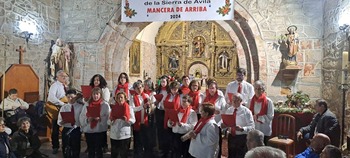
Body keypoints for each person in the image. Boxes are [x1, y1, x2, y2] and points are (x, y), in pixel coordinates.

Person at [79, 87, 110, 158]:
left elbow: (108, 116)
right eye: (94, 94)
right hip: (89, 130)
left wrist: (100, 119)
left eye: (97, 94)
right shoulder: (87, 104)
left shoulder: (105, 105)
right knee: (91, 149)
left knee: (99, 150)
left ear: (100, 95)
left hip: (100, 130)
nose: (95, 96)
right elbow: (82, 116)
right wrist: (87, 120)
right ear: (91, 95)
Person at [222, 93, 254, 158]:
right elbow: (225, 122)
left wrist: (242, 128)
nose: (234, 102)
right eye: (233, 100)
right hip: (231, 136)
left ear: (240, 100)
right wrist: (223, 125)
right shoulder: (229, 110)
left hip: (242, 137)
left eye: (236, 100)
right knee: (231, 155)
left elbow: (252, 127)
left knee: (241, 155)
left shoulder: (246, 111)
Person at [45, 70, 69, 154]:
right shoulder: (55, 86)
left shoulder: (65, 86)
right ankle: (55, 146)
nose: (64, 77)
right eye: (62, 76)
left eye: (65, 76)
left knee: (66, 126)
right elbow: (51, 98)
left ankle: (66, 146)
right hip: (57, 108)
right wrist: (62, 104)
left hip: (65, 108)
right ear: (57, 77)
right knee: (55, 128)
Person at [129, 81, 153, 158]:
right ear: (135, 89)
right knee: (137, 140)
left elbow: (150, 108)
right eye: (137, 88)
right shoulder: (132, 97)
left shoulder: (146, 95)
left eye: (140, 87)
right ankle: (137, 155)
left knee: (147, 140)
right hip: (137, 122)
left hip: (145, 121)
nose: (139, 89)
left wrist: (149, 108)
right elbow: (132, 109)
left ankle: (147, 154)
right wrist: (143, 107)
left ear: (143, 88)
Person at [57, 89, 83, 157]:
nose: (70, 99)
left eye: (72, 97)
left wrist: (82, 129)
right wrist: (62, 122)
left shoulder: (80, 107)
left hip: (76, 129)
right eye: (68, 97)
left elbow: (82, 119)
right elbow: (59, 121)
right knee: (65, 147)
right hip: (66, 128)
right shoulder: (64, 107)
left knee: (76, 147)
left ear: (75, 96)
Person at [109, 92, 135, 158]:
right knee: (114, 154)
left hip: (124, 135)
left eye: (121, 97)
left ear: (125, 99)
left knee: (124, 154)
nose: (120, 99)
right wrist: (111, 120)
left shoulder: (129, 108)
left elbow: (133, 120)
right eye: (118, 98)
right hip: (114, 134)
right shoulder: (113, 108)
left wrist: (127, 119)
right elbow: (108, 121)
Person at [248, 80, 274, 145]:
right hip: (254, 128)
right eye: (256, 89)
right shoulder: (251, 100)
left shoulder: (268, 101)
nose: (257, 91)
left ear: (263, 90)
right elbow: (248, 113)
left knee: (264, 150)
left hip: (264, 128)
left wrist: (258, 117)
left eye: (259, 89)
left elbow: (270, 116)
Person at [89, 74, 110, 152]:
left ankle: (103, 146)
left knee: (101, 129)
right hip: (91, 108)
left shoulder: (105, 89)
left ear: (101, 81)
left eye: (98, 80)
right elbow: (87, 100)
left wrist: (98, 100)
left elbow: (106, 100)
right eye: (94, 80)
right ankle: (91, 146)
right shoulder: (91, 89)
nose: (96, 81)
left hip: (101, 108)